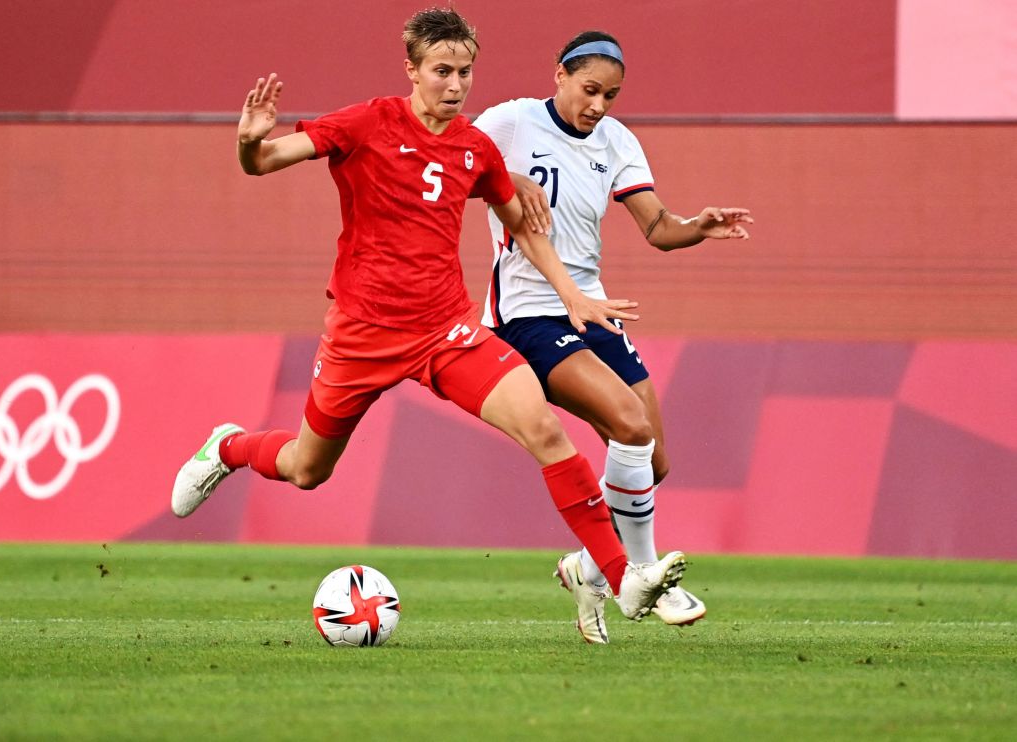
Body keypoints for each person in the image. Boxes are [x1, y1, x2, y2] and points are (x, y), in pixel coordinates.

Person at [170, 9, 688, 625]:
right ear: (412, 71)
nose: (456, 85)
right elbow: (264, 162)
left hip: (447, 331)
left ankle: (621, 577)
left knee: (544, 432)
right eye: (442, 71)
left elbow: (522, 223)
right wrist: (249, 141)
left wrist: (571, 293)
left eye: (465, 72)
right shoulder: (366, 123)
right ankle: (229, 447)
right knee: (306, 469)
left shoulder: (475, 146)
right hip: (361, 335)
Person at [473, 31, 753, 643]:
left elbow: (656, 227)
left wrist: (695, 227)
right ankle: (646, 573)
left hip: (593, 309)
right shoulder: (511, 122)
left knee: (654, 461)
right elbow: (454, 163)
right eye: (589, 89)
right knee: (630, 423)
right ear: (560, 75)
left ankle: (589, 568)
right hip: (528, 313)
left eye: (611, 95)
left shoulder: (617, 141)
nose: (598, 104)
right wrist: (506, 178)